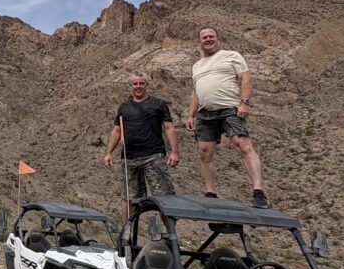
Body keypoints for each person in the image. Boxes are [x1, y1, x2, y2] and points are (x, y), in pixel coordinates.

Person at [186, 27, 268, 207]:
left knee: (243, 145)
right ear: (199, 42)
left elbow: (245, 79)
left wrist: (245, 102)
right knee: (204, 152)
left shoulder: (232, 56)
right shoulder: (197, 66)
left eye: (211, 36)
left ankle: (258, 191)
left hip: (230, 109)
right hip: (205, 114)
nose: (208, 39)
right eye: (204, 37)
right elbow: (195, 92)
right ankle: (210, 193)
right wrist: (191, 115)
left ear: (217, 39)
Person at [103, 72, 180, 221]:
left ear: (147, 85)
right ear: (130, 86)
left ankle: (170, 236)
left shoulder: (159, 104)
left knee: (164, 197)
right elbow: (117, 130)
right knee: (128, 198)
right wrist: (108, 153)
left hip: (153, 157)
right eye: (135, 84)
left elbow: (169, 128)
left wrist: (174, 152)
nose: (138, 86)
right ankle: (126, 235)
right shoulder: (124, 107)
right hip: (129, 159)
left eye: (141, 83)